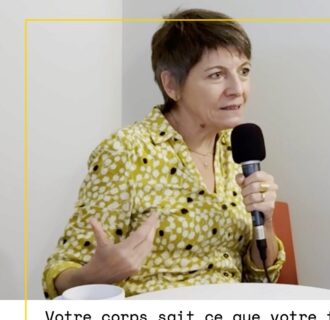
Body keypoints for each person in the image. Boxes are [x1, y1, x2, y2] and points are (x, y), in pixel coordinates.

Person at [42, 8, 286, 299]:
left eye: (243, 71)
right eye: (217, 75)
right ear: (172, 85)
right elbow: (58, 276)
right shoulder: (126, 152)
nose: (237, 89)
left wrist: (265, 220)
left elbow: (260, 278)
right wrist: (95, 275)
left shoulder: (237, 150)